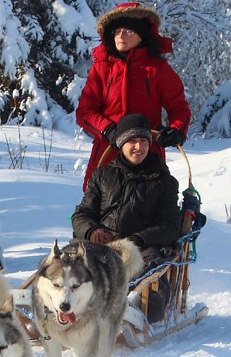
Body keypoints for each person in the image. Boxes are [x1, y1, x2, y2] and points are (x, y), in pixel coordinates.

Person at [72, 113, 185, 321]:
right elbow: (81, 214)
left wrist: (136, 240)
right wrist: (93, 231)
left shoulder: (164, 181)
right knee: (69, 257)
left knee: (149, 271)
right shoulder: (102, 176)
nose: (138, 147)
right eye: (132, 141)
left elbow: (169, 226)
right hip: (100, 247)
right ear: (121, 143)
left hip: (140, 250)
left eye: (143, 141)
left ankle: (129, 305)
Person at [75, 2, 192, 188]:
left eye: (128, 31)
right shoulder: (101, 68)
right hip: (107, 154)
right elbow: (85, 112)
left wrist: (175, 131)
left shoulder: (158, 69)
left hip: (146, 154)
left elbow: (179, 108)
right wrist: (107, 130)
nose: (121, 35)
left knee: (151, 207)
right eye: (117, 30)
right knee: (98, 208)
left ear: (142, 35)